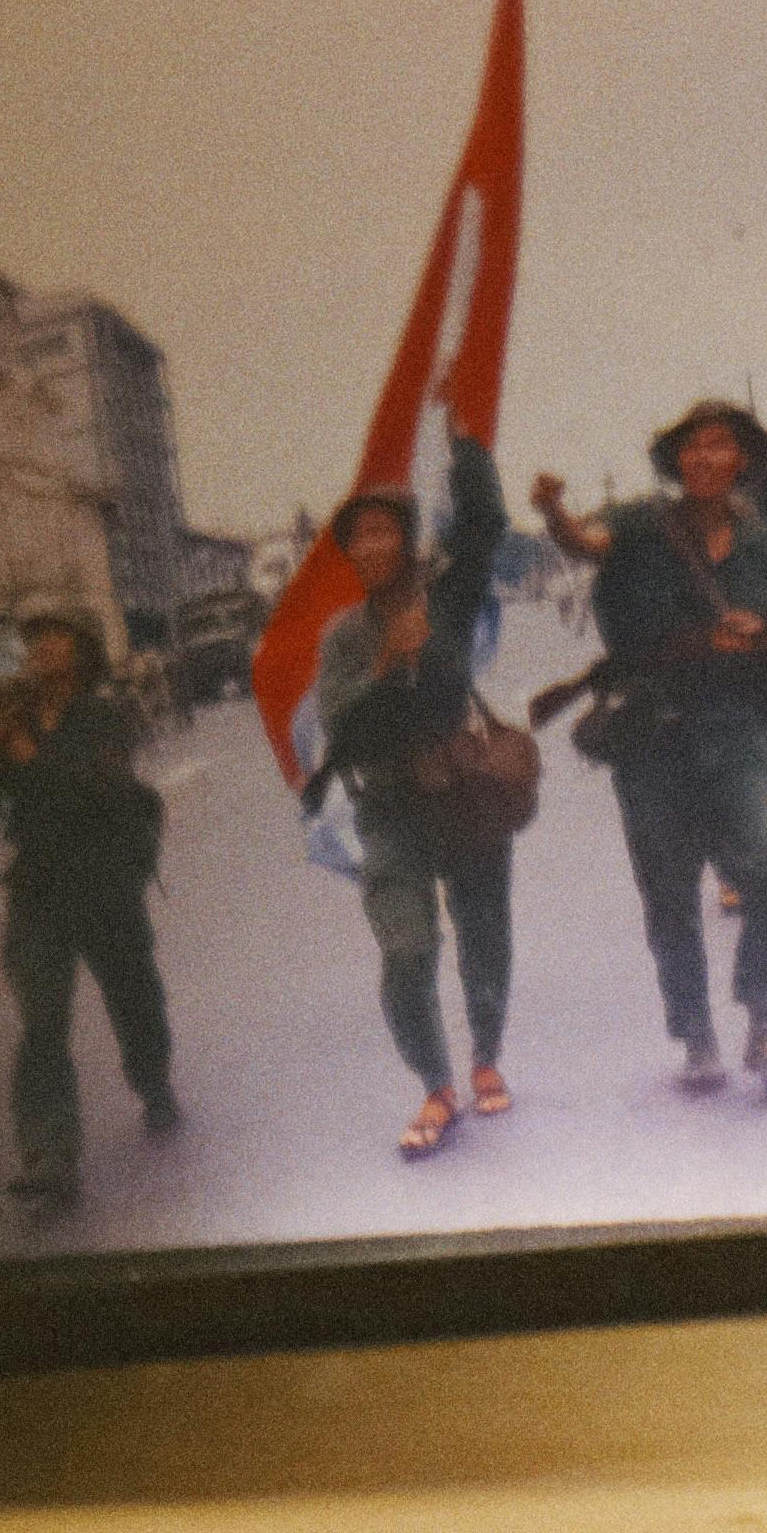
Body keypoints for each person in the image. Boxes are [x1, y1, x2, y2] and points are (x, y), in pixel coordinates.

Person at [535, 399, 767, 1104]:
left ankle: (766, 1023)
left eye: (719, 445)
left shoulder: (762, 541)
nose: (704, 457)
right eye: (692, 446)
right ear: (676, 460)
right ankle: (695, 1035)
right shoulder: (640, 523)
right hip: (651, 732)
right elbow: (585, 543)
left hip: (734, 725)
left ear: (742, 458)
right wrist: (555, 515)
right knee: (669, 896)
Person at [302, 463, 519, 1153]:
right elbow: (339, 722)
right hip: (389, 806)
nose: (368, 548)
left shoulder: (447, 599)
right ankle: (436, 1085)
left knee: (483, 931)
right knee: (406, 949)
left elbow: (485, 526)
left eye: (382, 532)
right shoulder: (343, 635)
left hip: (462, 793)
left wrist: (465, 439)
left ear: (406, 540)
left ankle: (485, 1055)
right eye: (356, 537)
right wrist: (386, 666)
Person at [0, 603, 177, 1216]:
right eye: (35, 640)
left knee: (133, 994)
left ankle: (153, 1079)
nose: (43, 650)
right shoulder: (15, 724)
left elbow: (102, 792)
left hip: (105, 882)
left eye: (57, 638)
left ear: (82, 654)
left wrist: (33, 756)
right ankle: (49, 1154)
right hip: (39, 894)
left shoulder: (106, 715)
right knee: (41, 1024)